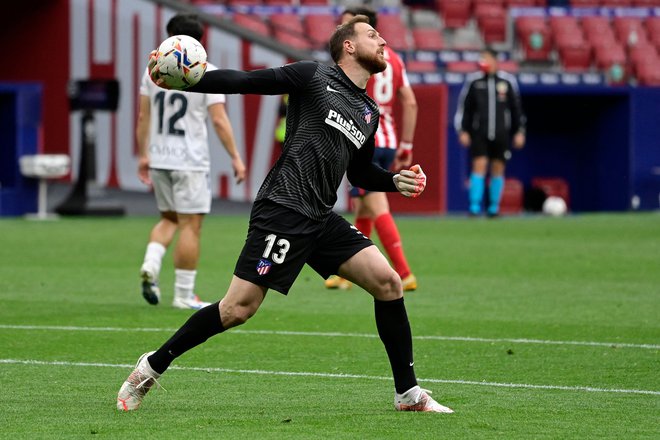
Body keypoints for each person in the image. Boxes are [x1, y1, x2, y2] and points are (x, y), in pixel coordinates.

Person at [117, 16, 453, 414]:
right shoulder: (313, 76)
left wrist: (394, 181)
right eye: (372, 36)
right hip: (283, 208)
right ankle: (151, 366)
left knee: (388, 282)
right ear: (348, 46)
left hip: (320, 217)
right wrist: (190, 80)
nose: (383, 42)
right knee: (236, 309)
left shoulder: (368, 111)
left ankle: (408, 394)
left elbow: (360, 173)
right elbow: (246, 81)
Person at [136, 13, 247, 310]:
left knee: (169, 218)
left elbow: (143, 116)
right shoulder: (204, 70)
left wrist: (143, 154)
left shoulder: (152, 72)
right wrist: (236, 157)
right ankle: (184, 294)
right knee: (190, 226)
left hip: (160, 156)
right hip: (190, 160)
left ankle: (151, 263)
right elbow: (219, 120)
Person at [325, 6, 419, 292]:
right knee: (363, 206)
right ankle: (347, 271)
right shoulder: (393, 58)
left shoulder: (358, 57)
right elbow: (411, 102)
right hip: (389, 138)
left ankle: (403, 272)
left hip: (366, 135)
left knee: (376, 204)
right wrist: (406, 143)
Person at [454, 47, 526, 217]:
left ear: (495, 61)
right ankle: (474, 207)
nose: (483, 62)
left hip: (501, 133)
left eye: (486, 58)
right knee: (479, 165)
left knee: (498, 167)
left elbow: (516, 110)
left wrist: (519, 131)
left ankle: (494, 208)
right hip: (479, 133)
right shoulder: (474, 82)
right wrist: (463, 130)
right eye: (481, 59)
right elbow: (465, 108)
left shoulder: (507, 82)